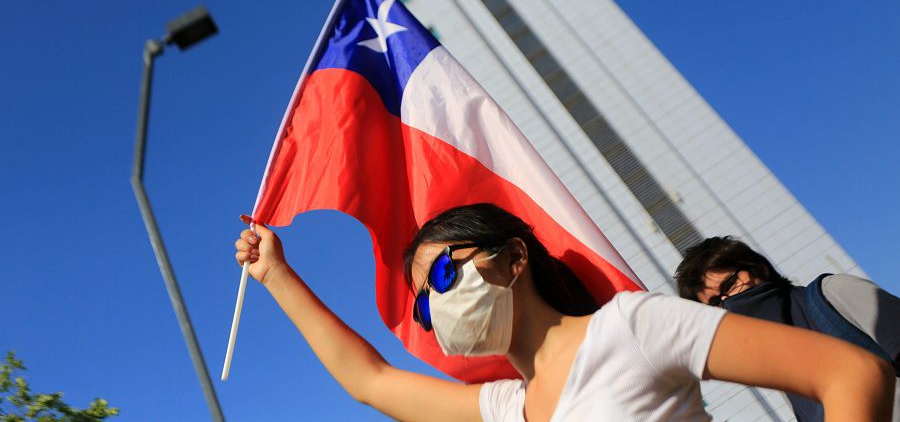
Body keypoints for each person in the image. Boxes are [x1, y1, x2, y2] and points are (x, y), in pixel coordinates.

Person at [235, 204, 894, 421]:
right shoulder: (506, 408)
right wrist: (277, 276)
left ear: (514, 258)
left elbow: (852, 374)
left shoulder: (633, 325)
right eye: (423, 300)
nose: (435, 303)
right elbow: (370, 382)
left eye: (443, 271)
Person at [675, 235, 900, 422]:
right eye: (715, 303)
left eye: (729, 285)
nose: (729, 301)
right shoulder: (782, 369)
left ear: (759, 269)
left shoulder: (834, 294)